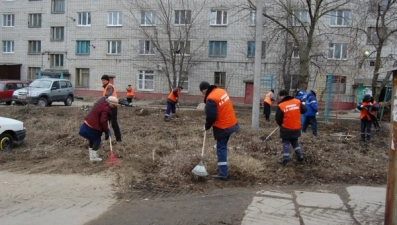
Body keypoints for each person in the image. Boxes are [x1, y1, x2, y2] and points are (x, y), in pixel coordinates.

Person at [199, 81, 240, 181]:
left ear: (204, 89)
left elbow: (211, 116)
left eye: (201, 91)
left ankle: (223, 173)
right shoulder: (221, 91)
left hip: (223, 126)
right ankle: (223, 168)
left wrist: (206, 126)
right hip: (232, 123)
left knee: (220, 148)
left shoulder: (211, 99)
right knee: (222, 146)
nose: (202, 94)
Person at [78, 96, 119, 162]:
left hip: (88, 123)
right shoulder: (105, 109)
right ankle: (94, 157)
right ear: (111, 104)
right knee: (97, 140)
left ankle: (92, 156)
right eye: (113, 106)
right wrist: (107, 130)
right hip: (93, 126)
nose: (113, 107)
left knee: (92, 139)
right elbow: (103, 121)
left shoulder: (102, 102)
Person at [275, 89, 307, 165]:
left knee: (286, 142)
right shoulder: (297, 101)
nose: (280, 98)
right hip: (296, 127)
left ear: (282, 96)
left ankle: (286, 159)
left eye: (280, 96)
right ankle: (300, 155)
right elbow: (304, 110)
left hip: (286, 127)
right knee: (294, 141)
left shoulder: (281, 105)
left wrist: (281, 125)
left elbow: (278, 118)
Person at [101, 75, 122, 142]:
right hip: (108, 107)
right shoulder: (105, 87)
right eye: (102, 80)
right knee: (106, 122)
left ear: (107, 80)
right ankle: (107, 138)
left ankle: (118, 139)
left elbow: (108, 95)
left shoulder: (109, 86)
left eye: (104, 80)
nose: (103, 81)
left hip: (113, 107)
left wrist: (101, 100)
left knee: (113, 123)